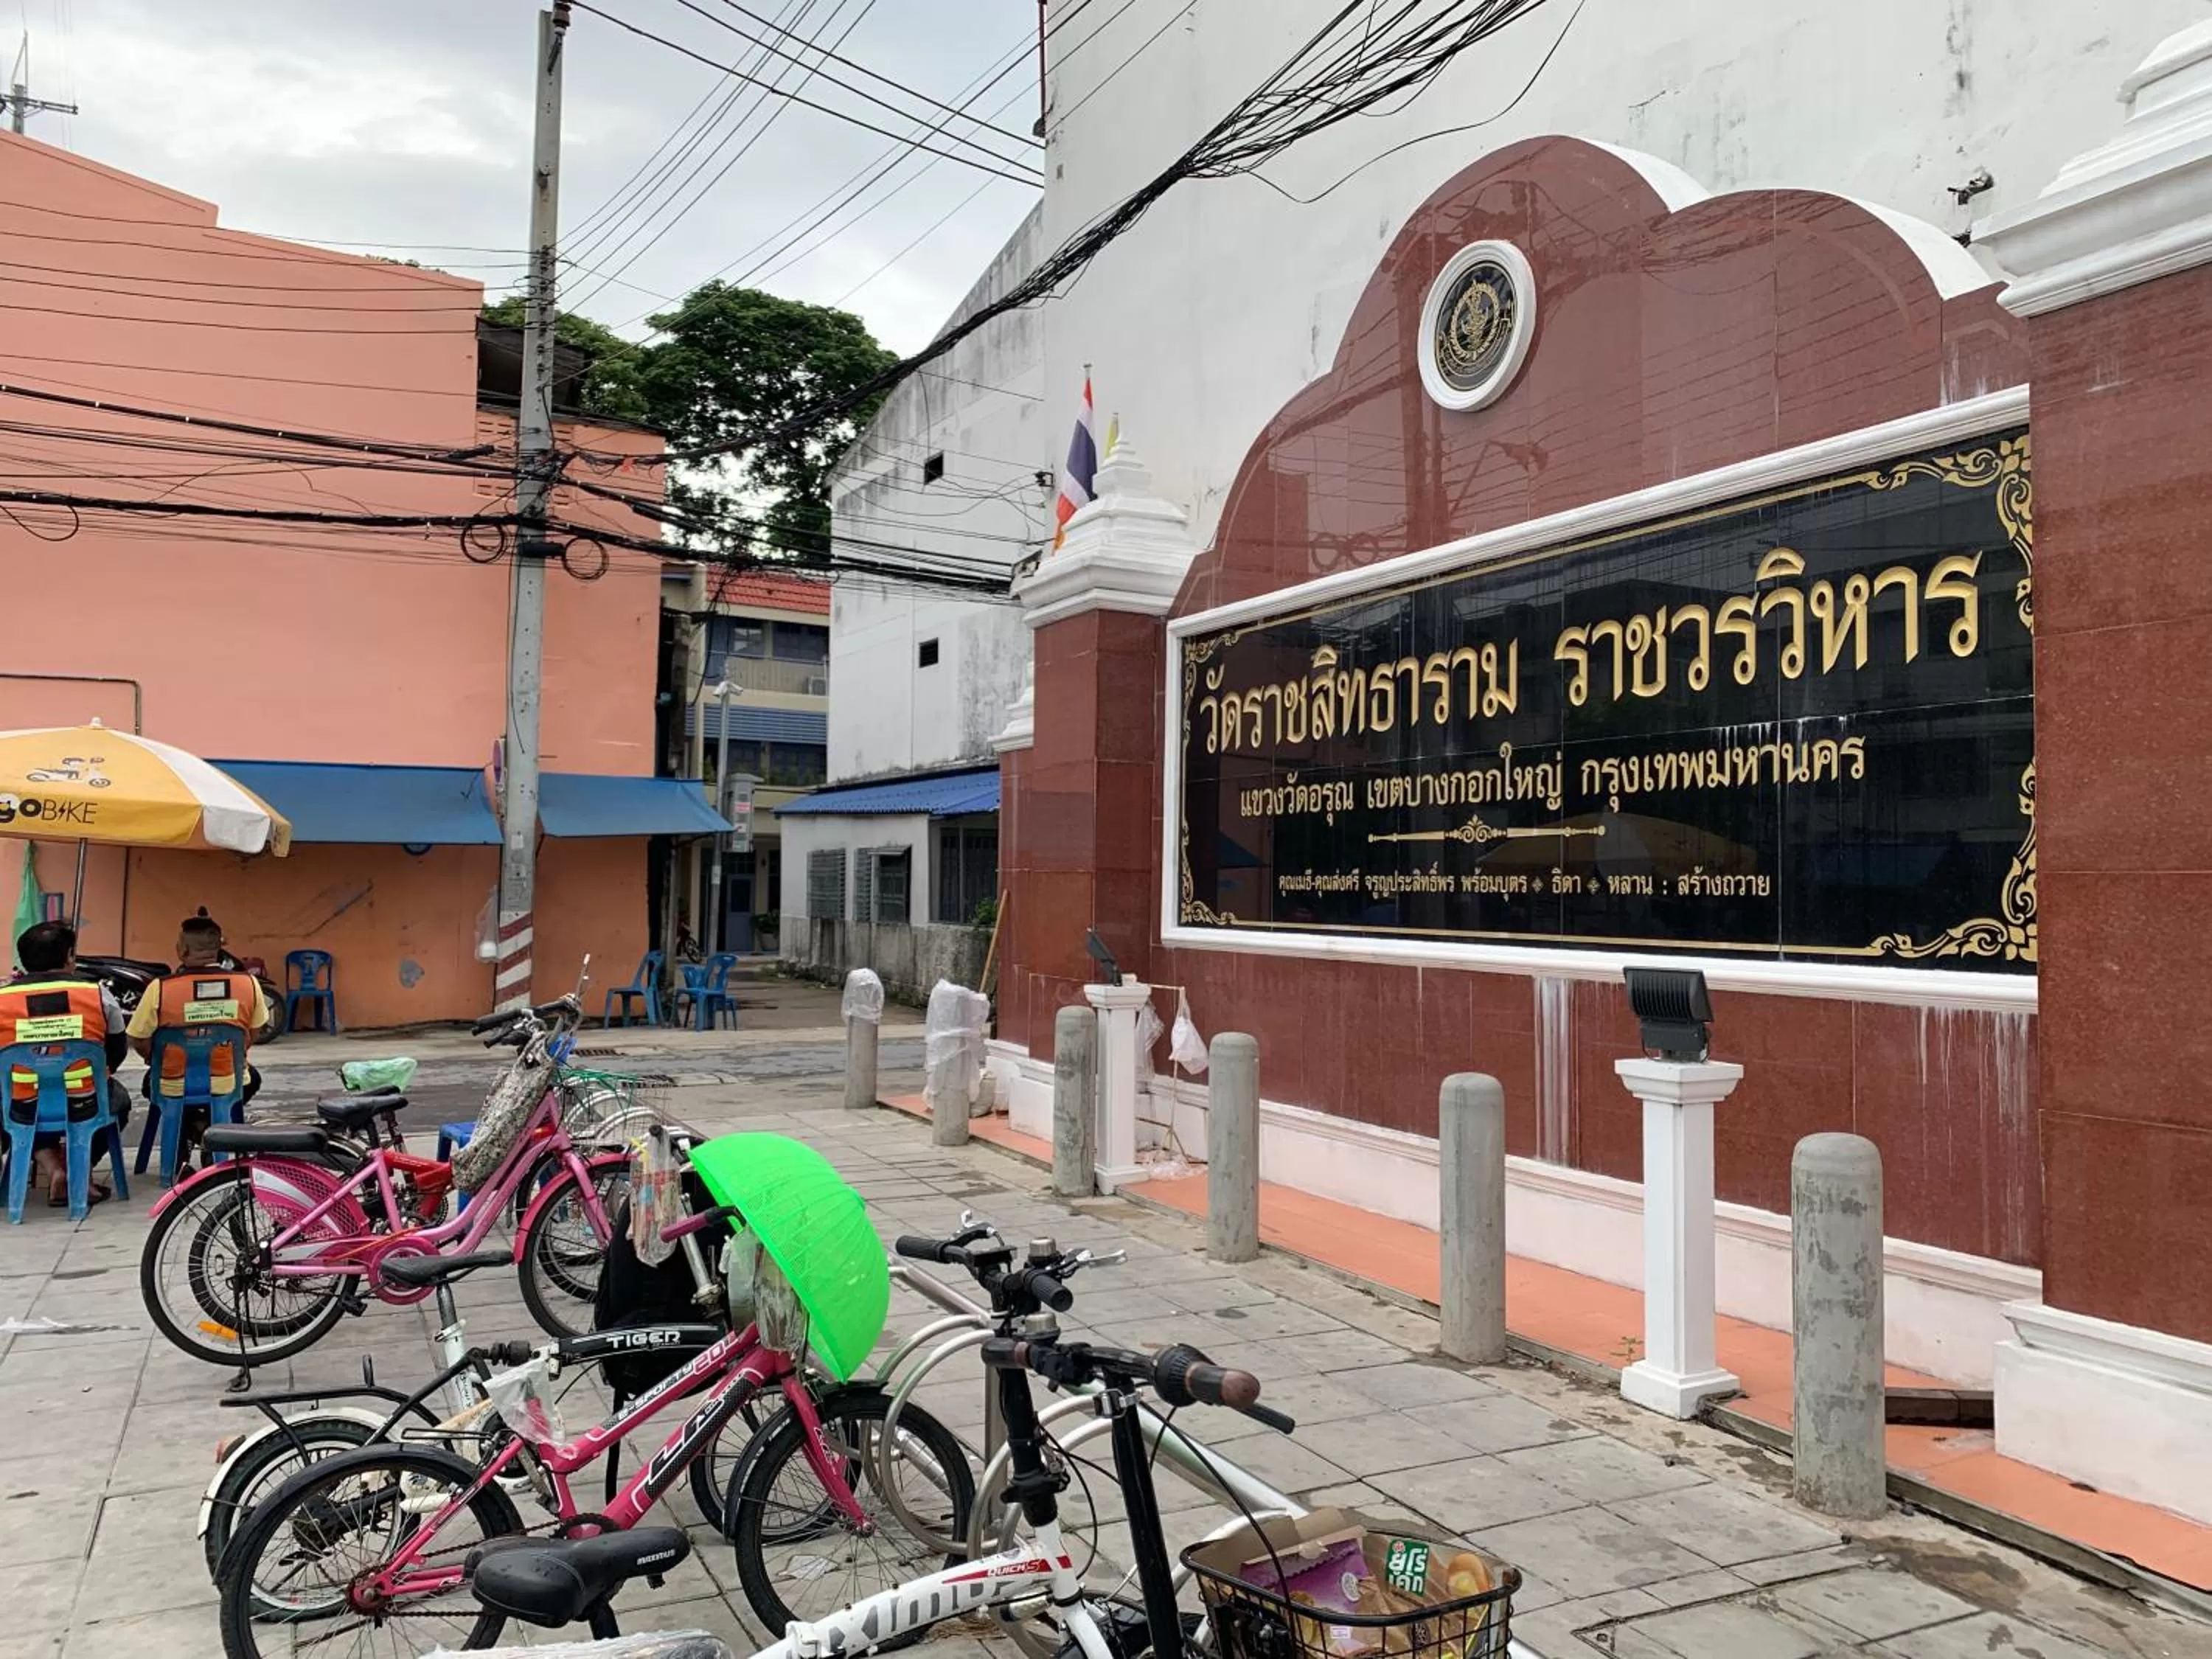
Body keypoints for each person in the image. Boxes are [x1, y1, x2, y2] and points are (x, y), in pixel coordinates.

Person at [3, 920, 133, 1206]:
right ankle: (80, 1173)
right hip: (85, 1097)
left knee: (13, 1107)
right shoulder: (97, 994)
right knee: (119, 1101)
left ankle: (54, 1168)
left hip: (20, 1101)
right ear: (70, 956)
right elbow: (117, 1049)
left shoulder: (3, 999)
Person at [128, 916, 273, 1162]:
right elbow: (254, 1032)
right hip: (229, 1080)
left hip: (173, 1082)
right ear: (219, 949)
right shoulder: (248, 984)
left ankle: (193, 1131)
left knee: (153, 1087)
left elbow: (138, 1038)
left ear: (182, 950)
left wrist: (155, 1058)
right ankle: (210, 1132)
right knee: (251, 1079)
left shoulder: (160, 988)